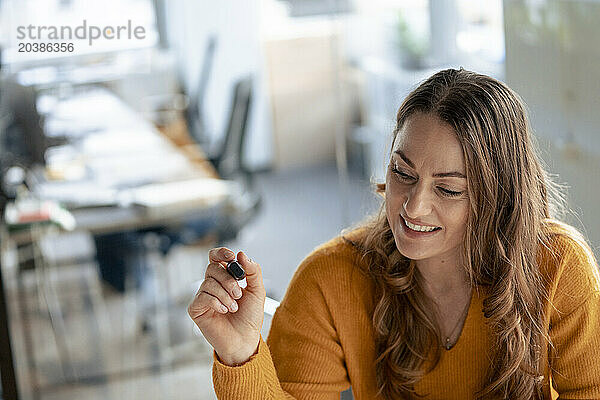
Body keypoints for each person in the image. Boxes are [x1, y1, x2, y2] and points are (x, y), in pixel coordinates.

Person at [187, 68, 600, 399]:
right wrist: (241, 354)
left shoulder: (559, 266)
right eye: (402, 172)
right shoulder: (330, 277)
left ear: (500, 196)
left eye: (449, 189)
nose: (412, 206)